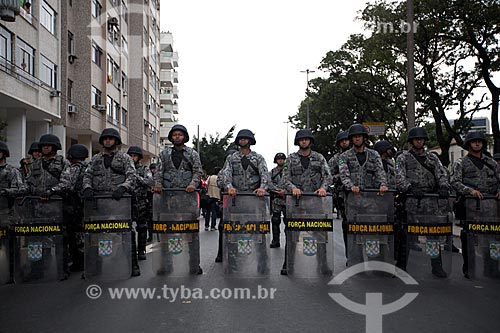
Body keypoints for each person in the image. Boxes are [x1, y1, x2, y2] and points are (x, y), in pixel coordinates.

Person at [82, 128, 140, 277]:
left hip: (119, 202)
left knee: (126, 232)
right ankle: (94, 267)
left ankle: (132, 265)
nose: (108, 141)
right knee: (96, 234)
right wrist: (87, 188)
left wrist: (123, 188)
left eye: (111, 138)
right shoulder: (95, 159)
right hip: (99, 202)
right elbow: (87, 175)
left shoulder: (124, 158)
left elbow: (132, 175)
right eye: (105, 138)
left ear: (116, 141)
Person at [395, 126, 451, 278]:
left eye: (421, 139)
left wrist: (444, 186)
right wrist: (409, 187)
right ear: (411, 141)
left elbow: (441, 173)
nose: (419, 141)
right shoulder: (403, 158)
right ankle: (401, 267)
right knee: (407, 235)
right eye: (416, 139)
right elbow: (399, 177)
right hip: (412, 200)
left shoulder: (432, 158)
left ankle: (436, 265)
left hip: (431, 200)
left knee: (433, 235)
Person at [153, 124, 203, 274]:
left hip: (188, 198)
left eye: (180, 134)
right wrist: (158, 185)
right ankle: (165, 265)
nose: (177, 137)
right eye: (174, 135)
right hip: (168, 199)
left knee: (191, 233)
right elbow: (159, 172)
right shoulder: (164, 154)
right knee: (166, 233)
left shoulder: (192, 153)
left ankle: (194, 265)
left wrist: (193, 184)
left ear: (185, 137)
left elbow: (197, 171)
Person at [281, 129, 333, 275]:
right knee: (292, 234)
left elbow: (328, 176)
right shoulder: (290, 159)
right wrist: (293, 188)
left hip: (315, 202)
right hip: (296, 202)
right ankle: (288, 264)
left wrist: (323, 188)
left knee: (320, 234)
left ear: (310, 141)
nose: (304, 141)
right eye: (301, 139)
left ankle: (323, 264)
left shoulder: (319, 158)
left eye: (306, 139)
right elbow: (284, 179)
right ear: (298, 142)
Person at [450, 131, 500, 278]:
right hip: (471, 207)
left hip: (491, 207)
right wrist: (470, 191)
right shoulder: (461, 163)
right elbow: (454, 182)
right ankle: (469, 268)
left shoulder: (491, 163)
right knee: (470, 238)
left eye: (480, 141)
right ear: (469, 144)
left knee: (492, 239)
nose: (477, 143)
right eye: (474, 141)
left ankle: (492, 268)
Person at [220, 129, 270, 273]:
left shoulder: (258, 158)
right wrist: (229, 187)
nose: (243, 140)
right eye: (240, 138)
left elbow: (264, 174)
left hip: (255, 201)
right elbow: (226, 174)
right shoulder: (232, 158)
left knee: (257, 232)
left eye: (245, 138)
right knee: (234, 232)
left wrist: (262, 188)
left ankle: (262, 263)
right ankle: (233, 263)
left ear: (250, 141)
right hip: (236, 201)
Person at [25, 134, 72, 279]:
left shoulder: (63, 162)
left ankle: (62, 270)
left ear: (55, 147)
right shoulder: (35, 164)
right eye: (43, 145)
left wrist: (51, 192)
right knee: (36, 240)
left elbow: (66, 182)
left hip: (56, 208)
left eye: (48, 145)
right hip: (37, 209)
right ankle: (36, 270)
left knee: (60, 240)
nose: (45, 147)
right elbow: (28, 182)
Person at [0, 142, 26, 283]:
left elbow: (21, 189)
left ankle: (13, 272)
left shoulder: (11, 171)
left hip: (7, 213)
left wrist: (5, 192)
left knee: (10, 245)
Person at [65, 144, 89, 272]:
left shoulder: (75, 168)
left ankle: (78, 262)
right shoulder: (88, 168)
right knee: (83, 234)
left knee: (75, 235)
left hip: (75, 206)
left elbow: (69, 185)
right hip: (85, 206)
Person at [127, 146, 153, 261]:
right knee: (126, 227)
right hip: (126, 201)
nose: (133, 158)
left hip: (141, 200)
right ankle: (129, 251)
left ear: (139, 157)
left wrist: (135, 177)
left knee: (142, 226)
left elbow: (149, 181)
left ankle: (141, 250)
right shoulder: (123, 168)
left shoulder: (144, 169)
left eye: (135, 156)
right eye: (131, 156)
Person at [328, 130, 350, 254]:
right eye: (342, 141)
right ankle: (349, 253)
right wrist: (341, 177)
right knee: (347, 223)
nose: (345, 142)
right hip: (344, 194)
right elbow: (328, 176)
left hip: (364, 195)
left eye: (346, 140)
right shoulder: (335, 159)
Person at [268, 152, 286, 248]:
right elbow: (268, 183)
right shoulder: (272, 172)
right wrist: (277, 191)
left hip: (288, 199)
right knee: (275, 220)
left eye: (282, 159)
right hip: (277, 199)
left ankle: (290, 240)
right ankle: (275, 241)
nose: (281, 160)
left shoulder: (289, 171)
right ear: (276, 161)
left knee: (288, 221)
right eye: (279, 159)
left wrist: (286, 191)